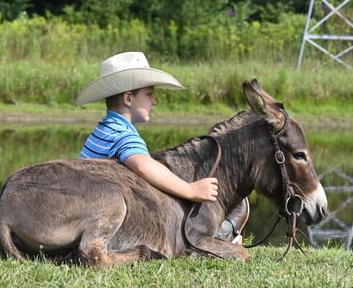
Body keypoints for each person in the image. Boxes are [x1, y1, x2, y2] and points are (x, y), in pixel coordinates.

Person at [75, 51, 249, 243]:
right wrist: (190, 189)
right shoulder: (121, 134)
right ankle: (218, 235)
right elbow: (142, 165)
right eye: (149, 94)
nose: (154, 101)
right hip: (104, 208)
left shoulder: (104, 129)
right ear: (128, 99)